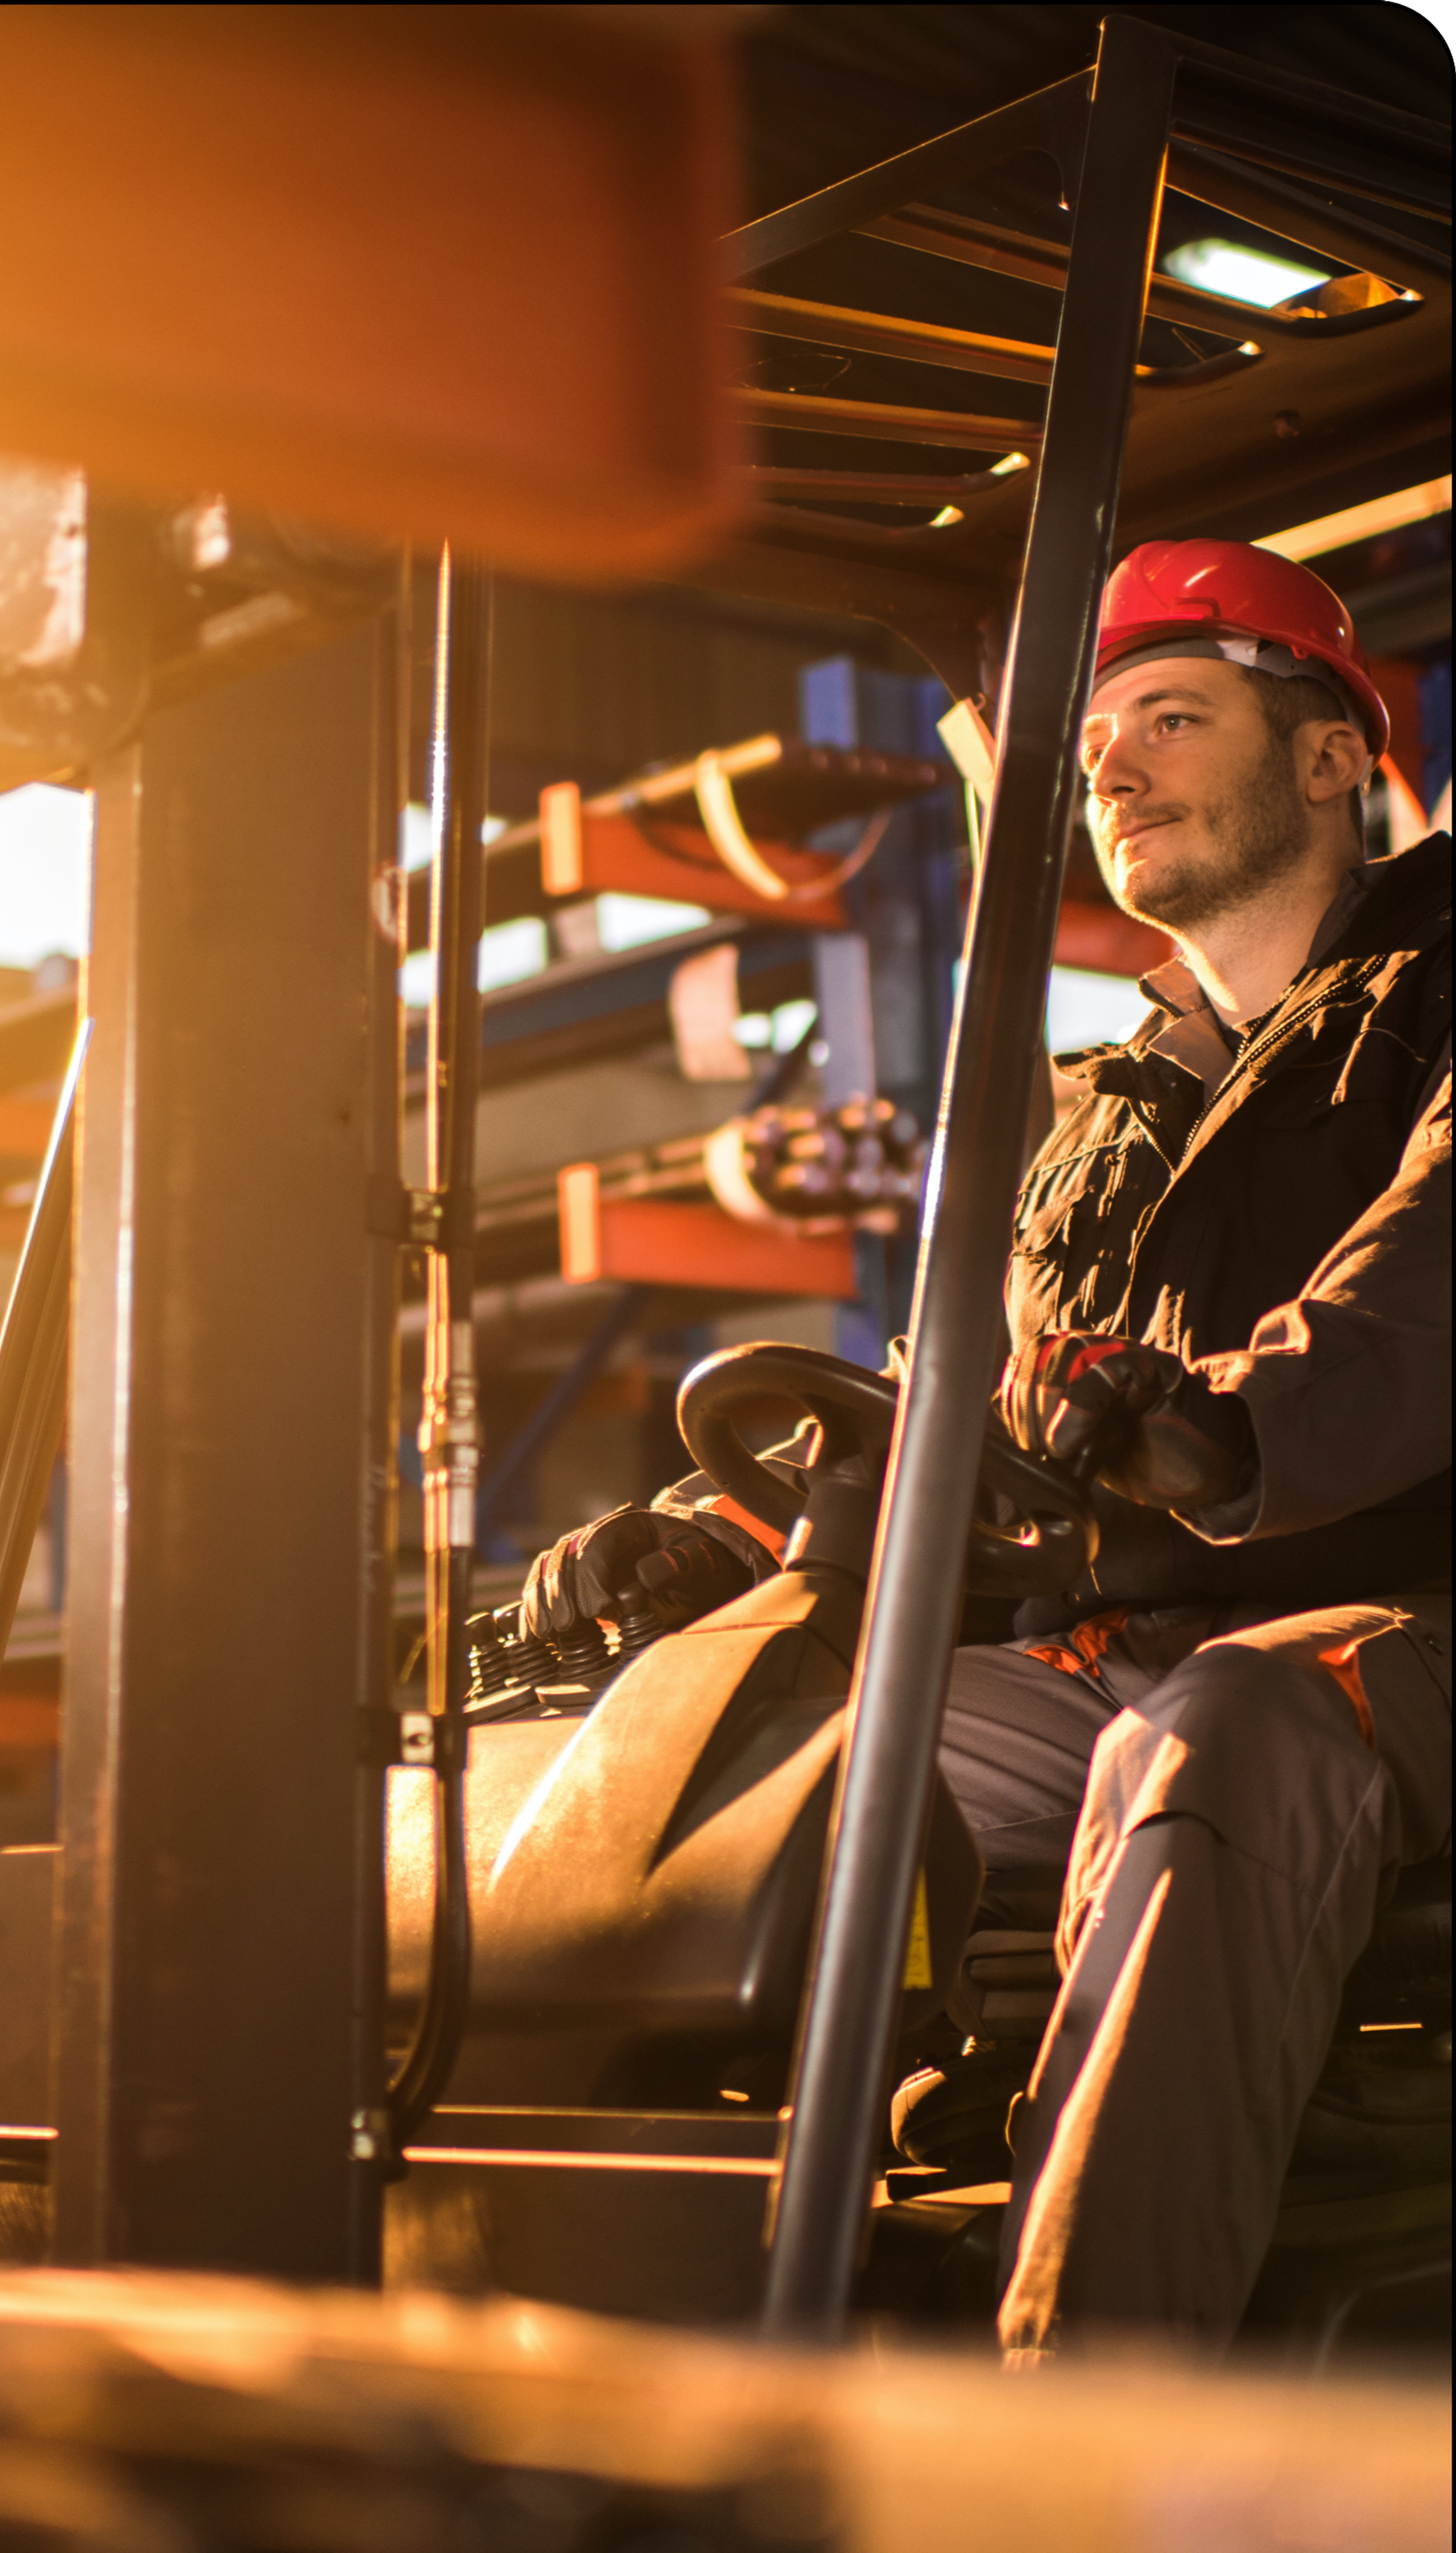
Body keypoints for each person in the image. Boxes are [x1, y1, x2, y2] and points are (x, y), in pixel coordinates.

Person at [517, 539, 1451, 2358]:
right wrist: (722, 1533)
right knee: (728, 1740)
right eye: (1097, 735)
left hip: (1405, 1614)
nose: (1113, 765)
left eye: (1170, 718)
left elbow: (1430, 1279)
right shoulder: (1115, 1105)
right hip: (1139, 1635)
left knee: (1231, 1733)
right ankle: (610, 2364)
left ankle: (1077, 2432)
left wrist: (1213, 1427)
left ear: (1333, 755)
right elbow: (989, 1395)